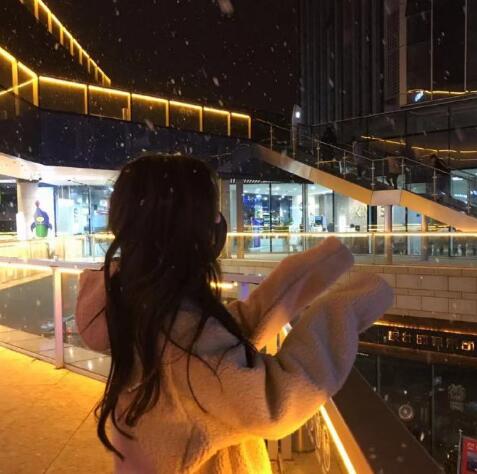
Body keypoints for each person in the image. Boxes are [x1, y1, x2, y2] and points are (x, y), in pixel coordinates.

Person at [75, 154, 393, 474]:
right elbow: (274, 403)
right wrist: (347, 308)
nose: (218, 222)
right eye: (211, 213)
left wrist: (314, 270)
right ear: (188, 228)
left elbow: (217, 343)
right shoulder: (181, 339)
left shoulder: (141, 306)